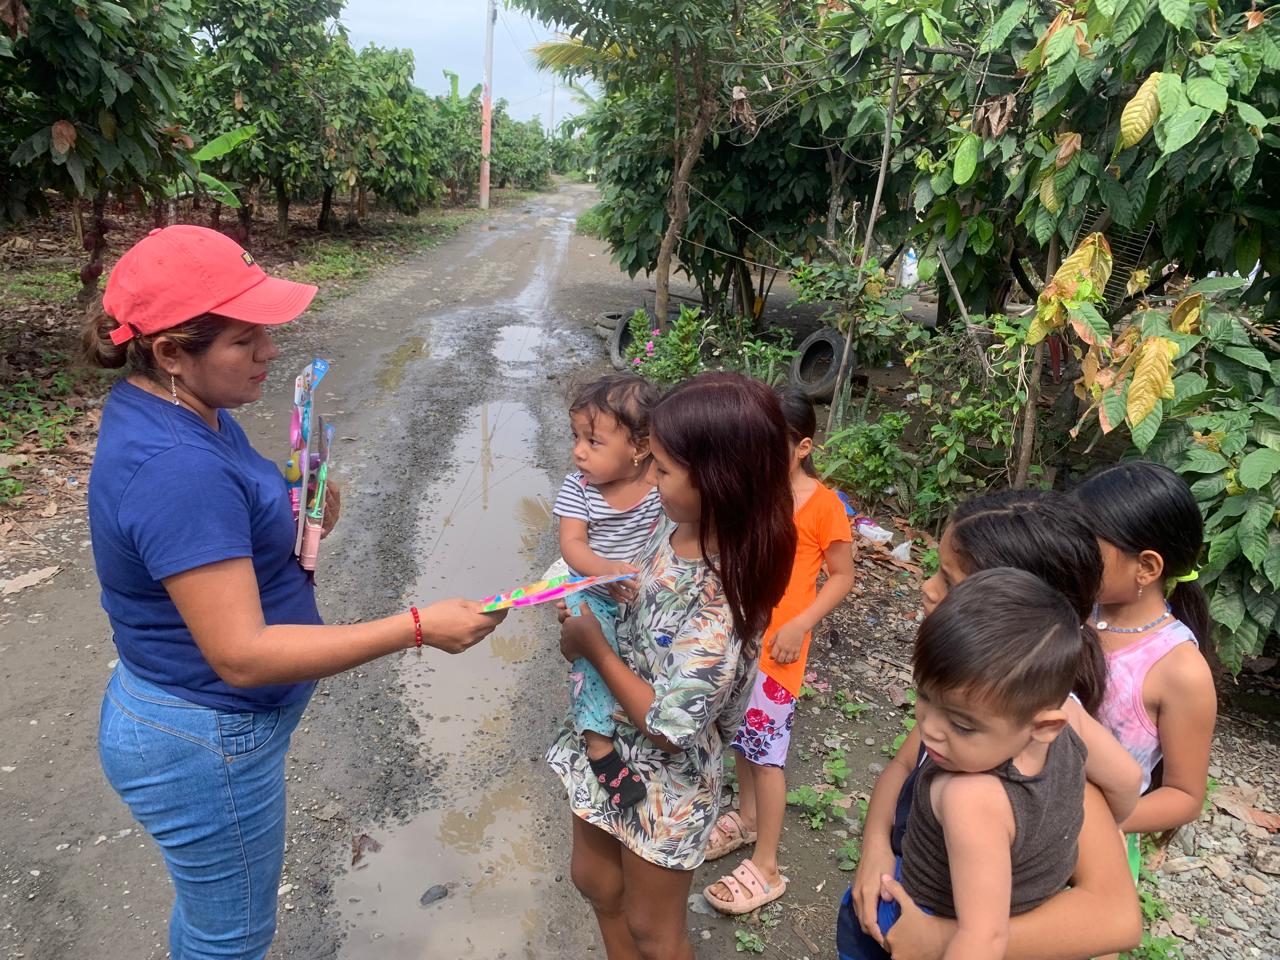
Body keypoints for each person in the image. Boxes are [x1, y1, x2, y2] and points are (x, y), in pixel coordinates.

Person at [86, 225, 505, 960]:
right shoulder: (176, 464)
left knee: (214, 921)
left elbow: (207, 541)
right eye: (244, 340)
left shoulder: (181, 410)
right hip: (204, 736)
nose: (269, 353)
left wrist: (292, 511)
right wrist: (416, 626)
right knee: (231, 938)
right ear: (171, 352)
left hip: (194, 719)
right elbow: (243, 656)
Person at [547, 372, 796, 960]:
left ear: (716, 481)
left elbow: (669, 726)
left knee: (653, 931)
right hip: (610, 748)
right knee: (596, 882)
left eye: (660, 469)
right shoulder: (675, 522)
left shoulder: (719, 604)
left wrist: (594, 648)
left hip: (667, 781)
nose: (648, 481)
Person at [847, 490, 1143, 959]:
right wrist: (875, 847)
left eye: (950, 581)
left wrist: (940, 940)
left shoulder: (1036, 741)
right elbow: (903, 768)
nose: (927, 588)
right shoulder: (965, 712)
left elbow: (1117, 919)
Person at [839, 568, 1090, 960]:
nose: (929, 729)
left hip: (915, 916)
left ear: (1044, 726)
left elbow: (983, 939)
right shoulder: (1069, 735)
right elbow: (1127, 782)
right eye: (924, 696)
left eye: (962, 725)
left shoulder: (969, 796)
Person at [703, 389, 855, 913]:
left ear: (803, 446)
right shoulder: (755, 494)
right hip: (740, 641)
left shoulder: (824, 506)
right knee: (740, 737)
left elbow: (842, 576)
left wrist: (801, 624)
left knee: (766, 756)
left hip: (780, 651)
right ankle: (747, 819)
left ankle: (767, 865)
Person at [1073, 461, 1217, 838]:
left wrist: (1086, 823)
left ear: (1147, 567)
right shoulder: (1072, 609)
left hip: (1089, 847)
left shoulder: (1178, 669)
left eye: (1087, 548)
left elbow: (1184, 795)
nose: (1072, 554)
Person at [554, 373, 663, 808]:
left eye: (593, 441)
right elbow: (572, 544)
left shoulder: (661, 481)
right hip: (592, 591)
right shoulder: (578, 489)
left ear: (640, 447)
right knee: (593, 658)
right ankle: (599, 747)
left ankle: (649, 719)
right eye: (576, 437)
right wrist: (604, 572)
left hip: (639, 590)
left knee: (644, 657)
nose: (578, 451)